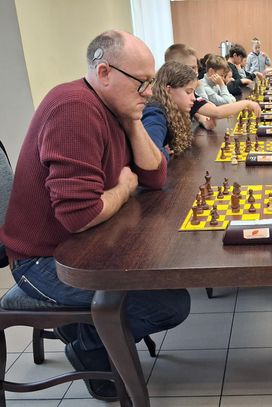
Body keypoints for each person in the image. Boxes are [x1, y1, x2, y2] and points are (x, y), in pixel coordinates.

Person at [0, 30, 191, 401]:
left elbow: (155, 176)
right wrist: (123, 187)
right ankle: (87, 344)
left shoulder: (114, 108)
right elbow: (80, 215)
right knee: (168, 304)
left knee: (166, 285)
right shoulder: (73, 108)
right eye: (141, 83)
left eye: (151, 83)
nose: (149, 92)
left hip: (86, 245)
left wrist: (133, 120)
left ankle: (84, 333)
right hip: (44, 260)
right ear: (104, 73)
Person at [163, 43, 261, 128]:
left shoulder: (190, 93)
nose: (195, 73)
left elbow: (199, 107)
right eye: (191, 68)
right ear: (174, 68)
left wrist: (201, 119)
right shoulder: (159, 109)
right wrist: (246, 103)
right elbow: (217, 112)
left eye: (196, 68)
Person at [142, 61, 198, 161]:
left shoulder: (174, 109)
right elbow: (149, 155)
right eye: (188, 92)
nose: (194, 98)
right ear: (168, 90)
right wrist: (164, 152)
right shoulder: (155, 114)